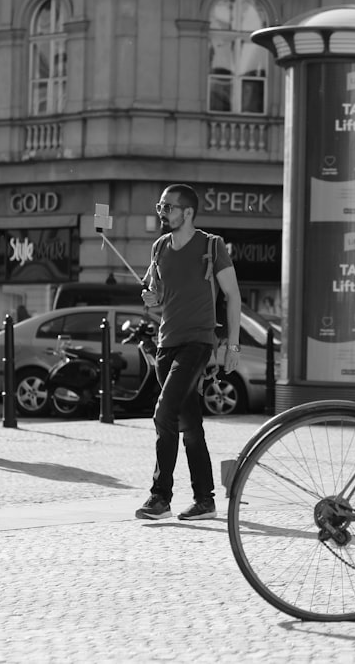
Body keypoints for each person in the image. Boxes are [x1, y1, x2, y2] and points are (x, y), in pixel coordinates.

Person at [134, 183, 242, 520]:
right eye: (160, 206)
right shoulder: (159, 248)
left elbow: (233, 296)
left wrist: (233, 344)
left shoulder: (211, 246)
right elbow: (158, 295)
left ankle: (159, 497)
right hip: (167, 343)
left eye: (169, 207)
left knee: (163, 414)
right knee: (190, 424)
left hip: (198, 342)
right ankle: (205, 500)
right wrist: (151, 299)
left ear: (188, 212)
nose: (162, 213)